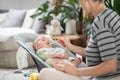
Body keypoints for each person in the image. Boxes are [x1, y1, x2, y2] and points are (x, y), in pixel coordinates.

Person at [39, 0, 120, 80]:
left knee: (44, 73)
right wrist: (70, 46)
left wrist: (76, 71)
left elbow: (110, 66)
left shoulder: (101, 22)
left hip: (109, 78)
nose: (81, 5)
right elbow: (95, 53)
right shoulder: (111, 15)